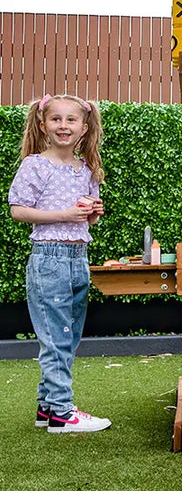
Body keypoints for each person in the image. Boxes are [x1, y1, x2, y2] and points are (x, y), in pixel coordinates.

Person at [8, 94, 111, 433]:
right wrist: (64, 215)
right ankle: (62, 414)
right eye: (56, 119)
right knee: (55, 337)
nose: (63, 126)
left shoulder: (86, 169)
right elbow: (18, 210)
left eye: (71, 120)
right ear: (43, 125)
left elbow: (87, 220)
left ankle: (47, 407)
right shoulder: (35, 165)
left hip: (78, 257)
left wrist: (92, 214)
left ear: (84, 128)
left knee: (67, 336)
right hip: (49, 258)